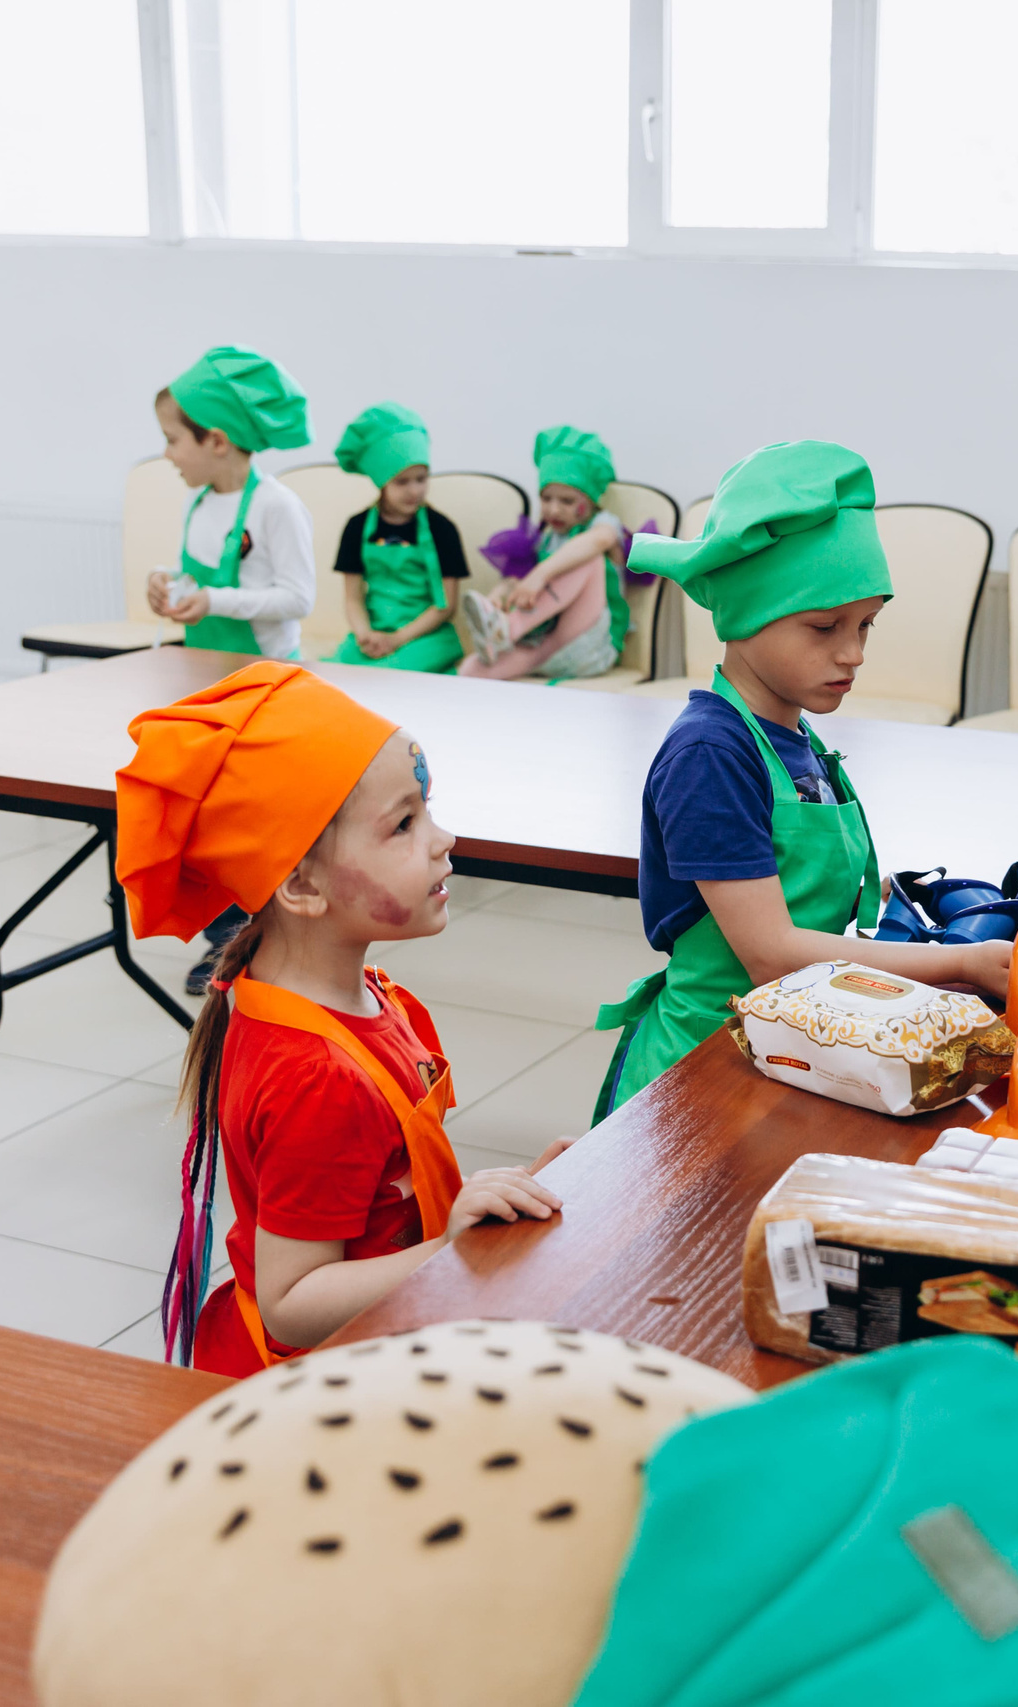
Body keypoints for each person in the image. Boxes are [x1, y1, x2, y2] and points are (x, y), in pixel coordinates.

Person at [114, 660, 564, 1375]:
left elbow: (383, 1188)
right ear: (301, 883)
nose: (443, 838)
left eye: (429, 809)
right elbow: (293, 1298)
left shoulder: (346, 993)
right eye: (404, 825)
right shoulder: (317, 1077)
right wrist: (451, 1245)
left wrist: (494, 1201)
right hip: (322, 1381)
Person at [593, 441, 1014, 1119]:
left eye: (866, 624)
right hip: (701, 1070)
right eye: (825, 626)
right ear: (748, 612)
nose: (853, 653)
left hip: (789, 1047)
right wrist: (960, 965)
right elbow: (770, 953)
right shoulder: (711, 754)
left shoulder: (795, 737)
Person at [145, 345, 315, 661]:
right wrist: (165, 579)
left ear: (218, 442)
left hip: (266, 675)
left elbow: (298, 599)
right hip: (206, 669)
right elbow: (195, 576)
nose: (166, 454)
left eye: (172, 440)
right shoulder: (197, 501)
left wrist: (214, 601)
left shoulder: (277, 506)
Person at [457, 423, 629, 682]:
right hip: (548, 646)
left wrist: (541, 573)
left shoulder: (602, 524)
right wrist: (500, 595)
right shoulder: (545, 538)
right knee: (469, 671)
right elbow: (520, 581)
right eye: (546, 499)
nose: (554, 510)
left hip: (590, 646)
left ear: (590, 501)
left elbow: (599, 541)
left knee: (586, 555)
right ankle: (498, 627)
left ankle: (510, 627)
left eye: (567, 501)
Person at [328, 400, 465, 672]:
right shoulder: (356, 527)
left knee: (396, 675)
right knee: (340, 672)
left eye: (421, 478)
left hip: (425, 637)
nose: (414, 490)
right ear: (382, 482)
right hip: (375, 633)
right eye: (402, 482)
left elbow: (446, 606)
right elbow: (353, 598)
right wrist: (365, 635)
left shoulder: (442, 529)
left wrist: (398, 639)